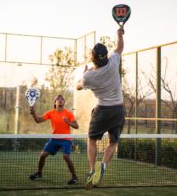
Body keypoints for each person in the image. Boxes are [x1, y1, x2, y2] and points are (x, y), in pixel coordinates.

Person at [76, 26, 125, 189]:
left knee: (92, 140)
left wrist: (84, 74)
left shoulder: (88, 76)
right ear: (105, 56)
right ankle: (103, 165)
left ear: (93, 58)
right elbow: (119, 47)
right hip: (118, 110)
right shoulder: (113, 62)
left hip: (102, 111)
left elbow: (78, 87)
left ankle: (92, 170)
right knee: (113, 142)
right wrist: (119, 34)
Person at [29, 95, 79, 185]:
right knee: (43, 155)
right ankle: (39, 173)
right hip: (54, 139)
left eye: (62, 99)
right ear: (55, 103)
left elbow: (76, 126)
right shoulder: (51, 113)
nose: (60, 100)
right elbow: (38, 120)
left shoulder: (68, 113)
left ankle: (74, 177)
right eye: (58, 99)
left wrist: (68, 122)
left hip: (66, 139)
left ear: (64, 102)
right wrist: (33, 114)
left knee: (66, 156)